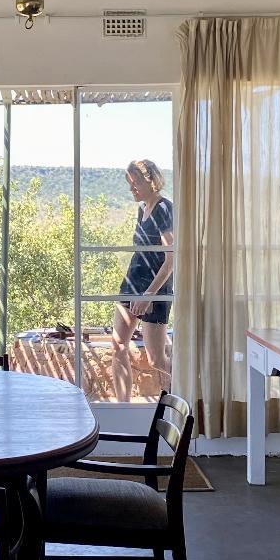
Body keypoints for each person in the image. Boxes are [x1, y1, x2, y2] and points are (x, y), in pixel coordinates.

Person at [111, 158, 174, 404]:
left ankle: (174, 407)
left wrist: (149, 295)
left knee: (156, 360)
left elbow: (171, 260)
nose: (131, 188)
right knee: (118, 346)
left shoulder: (164, 209)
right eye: (129, 183)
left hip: (154, 290)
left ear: (150, 181)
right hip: (131, 284)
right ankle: (122, 407)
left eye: (135, 182)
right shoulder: (142, 209)